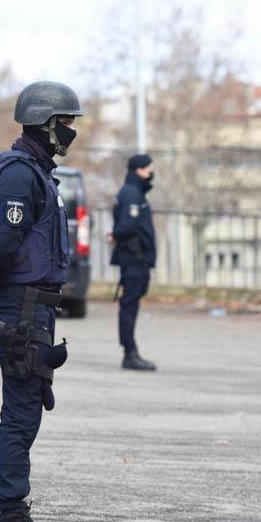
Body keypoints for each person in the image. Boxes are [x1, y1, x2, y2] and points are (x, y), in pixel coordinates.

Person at [0, 81, 82, 522]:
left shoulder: (36, 173)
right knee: (20, 415)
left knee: (26, 411)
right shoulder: (17, 175)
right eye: (67, 123)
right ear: (46, 124)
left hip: (35, 306)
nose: (72, 131)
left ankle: (17, 515)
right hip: (22, 308)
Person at [110, 153, 159, 371]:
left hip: (137, 259)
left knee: (131, 304)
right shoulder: (131, 194)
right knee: (129, 305)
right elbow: (126, 226)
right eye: (148, 168)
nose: (151, 172)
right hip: (134, 259)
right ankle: (130, 353)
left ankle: (131, 351)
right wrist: (115, 234)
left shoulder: (135, 192)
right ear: (138, 170)